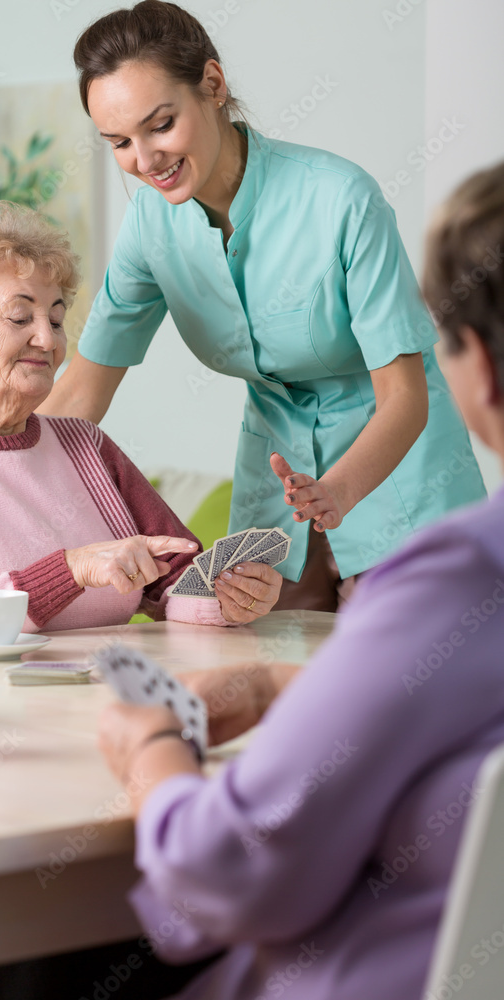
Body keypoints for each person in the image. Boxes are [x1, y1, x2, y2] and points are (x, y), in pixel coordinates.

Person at [94, 160, 504, 999]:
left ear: (481, 375)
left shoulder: (461, 575)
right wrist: (286, 684)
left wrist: (149, 749)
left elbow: (230, 870)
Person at [38, 0, 486, 612]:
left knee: (416, 687)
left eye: (161, 125)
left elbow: (406, 397)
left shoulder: (340, 201)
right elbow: (82, 392)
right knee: (260, 679)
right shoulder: (150, 225)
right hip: (278, 483)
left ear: (213, 86)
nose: (144, 162)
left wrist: (337, 492)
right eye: (119, 141)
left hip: (401, 473)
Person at [0, 202, 282, 643]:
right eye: (19, 316)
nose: (48, 338)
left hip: (101, 696)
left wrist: (227, 598)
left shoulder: (85, 444)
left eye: (55, 318)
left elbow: (173, 577)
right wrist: (69, 570)